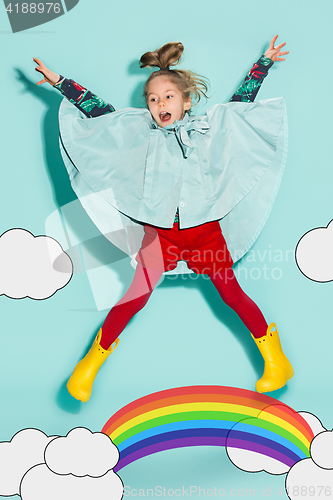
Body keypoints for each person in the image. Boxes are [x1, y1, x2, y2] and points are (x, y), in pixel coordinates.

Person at [34, 36, 293, 402]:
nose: (159, 104)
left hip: (204, 232)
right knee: (135, 296)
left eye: (168, 97)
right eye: (153, 99)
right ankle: (88, 365)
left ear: (186, 101)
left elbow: (239, 108)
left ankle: (275, 359)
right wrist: (62, 83)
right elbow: (99, 112)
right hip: (160, 235)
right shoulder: (140, 134)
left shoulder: (205, 131)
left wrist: (262, 64)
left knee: (232, 293)